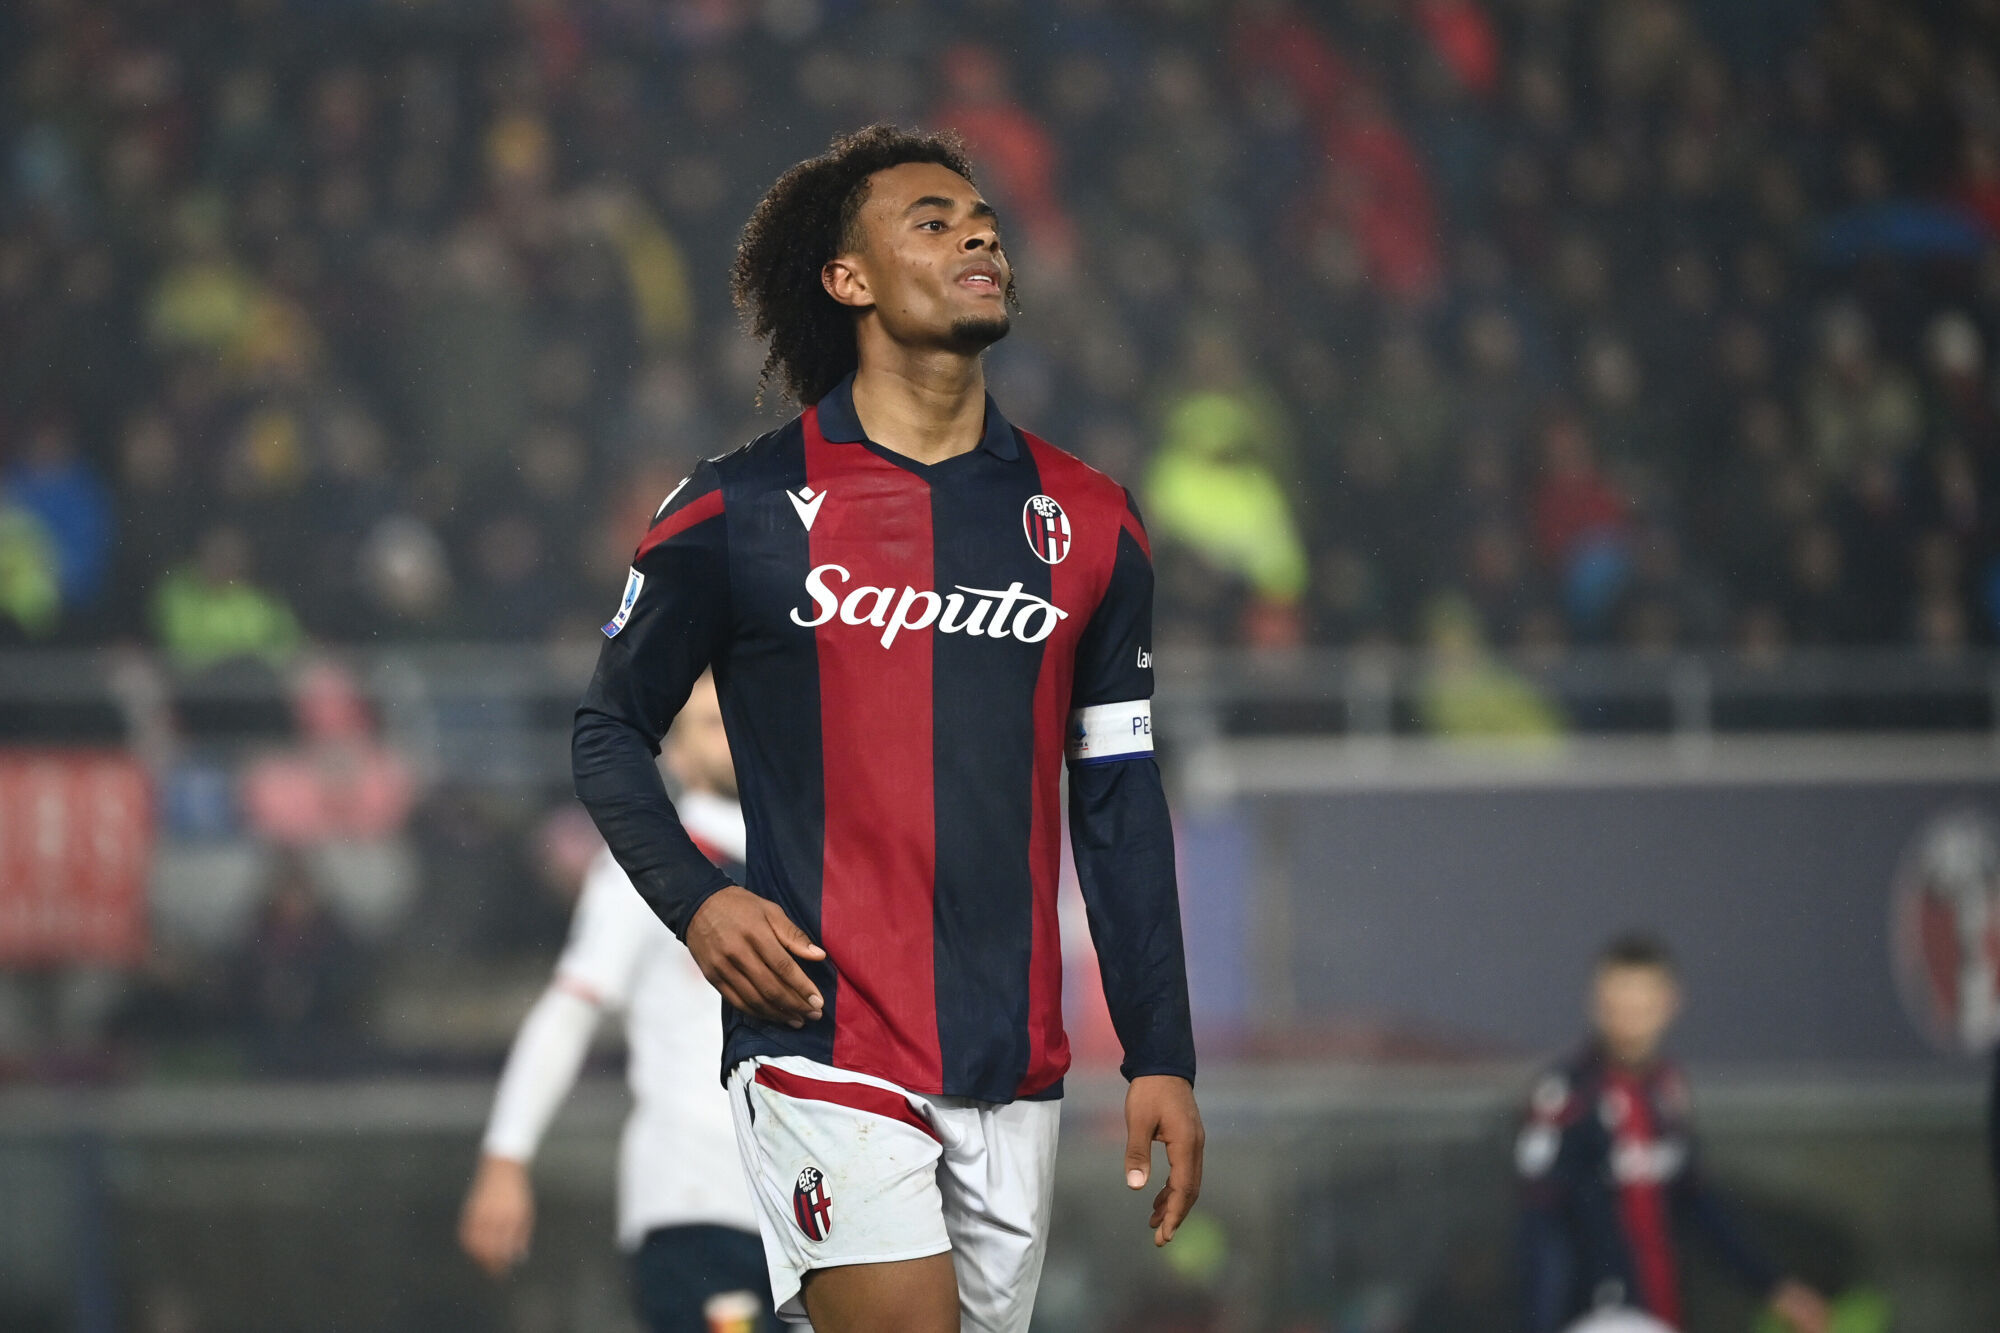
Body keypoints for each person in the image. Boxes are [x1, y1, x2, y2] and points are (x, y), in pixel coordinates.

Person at [572, 124, 1202, 1333]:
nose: (978, 237)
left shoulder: (1090, 521)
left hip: (1012, 1058)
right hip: (821, 1035)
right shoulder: (737, 508)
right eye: (933, 221)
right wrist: (698, 902)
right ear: (846, 278)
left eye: (986, 225)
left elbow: (1117, 797)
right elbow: (607, 731)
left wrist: (1159, 1049)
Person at [461, 673, 774, 1332]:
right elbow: (572, 1006)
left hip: (816, 1203)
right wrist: (506, 1154)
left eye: (743, 714)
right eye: (711, 724)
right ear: (677, 755)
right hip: (698, 1200)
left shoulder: (811, 857)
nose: (735, 734)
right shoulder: (653, 857)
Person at [1517, 933, 1830, 1333]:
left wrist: (1773, 1286)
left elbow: (1698, 1204)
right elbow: (1542, 1226)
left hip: (1665, 1311)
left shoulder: (1667, 1090)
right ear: (1596, 1003)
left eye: (1642, 1004)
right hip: (1600, 1316)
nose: (1629, 1018)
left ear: (1668, 1002)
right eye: (1617, 1003)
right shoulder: (1567, 1094)